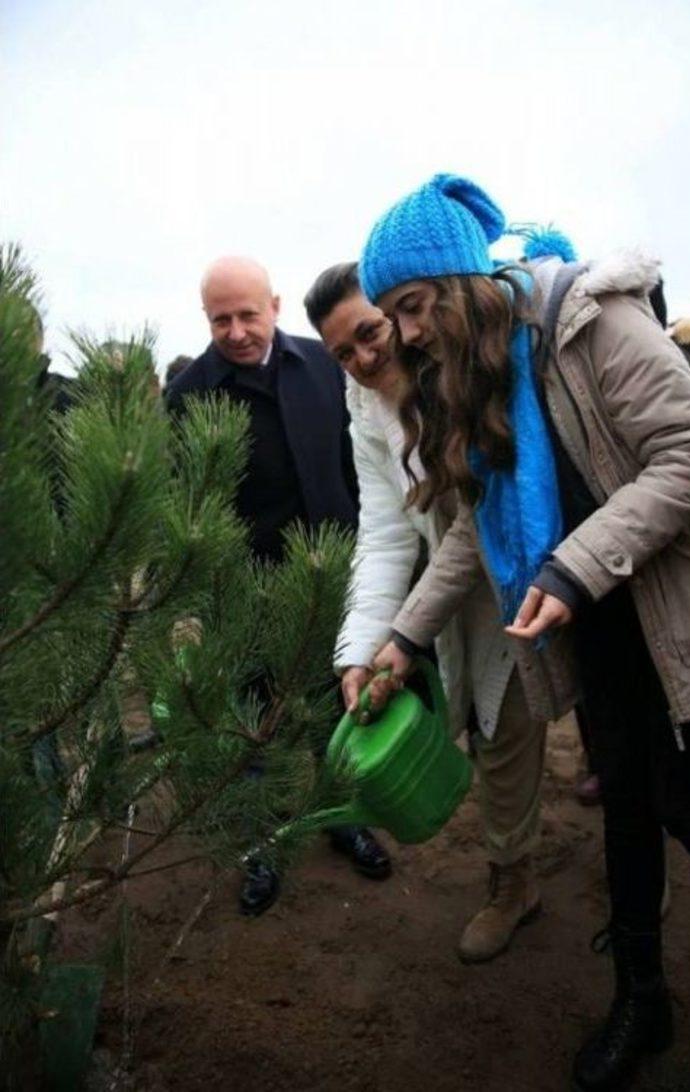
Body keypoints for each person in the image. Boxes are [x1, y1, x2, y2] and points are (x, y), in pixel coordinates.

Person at [354, 174, 690, 1092]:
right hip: (598, 621)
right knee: (632, 808)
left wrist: (572, 566)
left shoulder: (588, 325)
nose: (404, 334)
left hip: (677, 611)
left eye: (412, 307)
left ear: (458, 282)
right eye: (392, 315)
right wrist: (401, 640)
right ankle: (644, 1000)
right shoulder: (483, 377)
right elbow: (479, 534)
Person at [305, 261, 553, 963]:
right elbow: (385, 532)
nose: (362, 358)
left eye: (369, 332)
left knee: (565, 724)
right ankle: (516, 880)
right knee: (490, 730)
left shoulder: (459, 372)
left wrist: (405, 635)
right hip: (448, 597)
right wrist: (358, 649)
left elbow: (482, 523)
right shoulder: (365, 412)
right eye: (341, 354)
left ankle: (625, 849)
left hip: (525, 569)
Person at [166, 256, 391, 913]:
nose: (236, 331)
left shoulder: (324, 366)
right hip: (246, 594)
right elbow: (189, 511)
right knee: (252, 726)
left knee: (336, 709)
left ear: (275, 306)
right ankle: (259, 848)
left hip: (335, 579)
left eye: (247, 315)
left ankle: (343, 818)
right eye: (220, 319)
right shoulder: (188, 397)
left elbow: (360, 467)